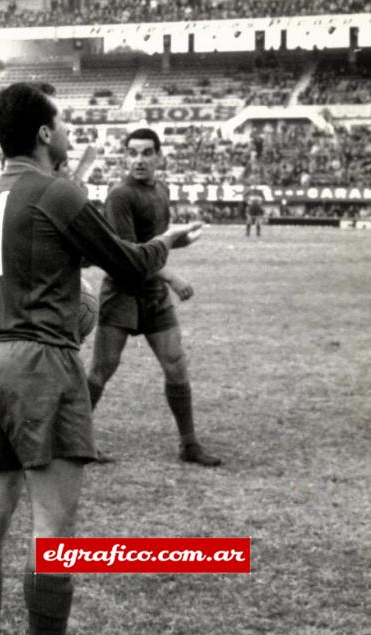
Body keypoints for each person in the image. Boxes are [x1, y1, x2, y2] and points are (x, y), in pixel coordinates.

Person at [0, 82, 202, 635]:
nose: (67, 135)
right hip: (41, 364)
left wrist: (11, 324)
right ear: (41, 133)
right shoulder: (58, 191)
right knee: (55, 522)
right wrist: (171, 242)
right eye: (61, 125)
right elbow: (128, 263)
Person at [86, 128, 221, 467]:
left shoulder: (161, 189)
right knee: (103, 368)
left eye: (147, 153)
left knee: (176, 364)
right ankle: (73, 440)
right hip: (122, 291)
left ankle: (189, 445)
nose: (139, 160)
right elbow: (130, 254)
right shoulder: (119, 195)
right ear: (124, 157)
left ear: (159, 157)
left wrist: (184, 239)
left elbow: (157, 242)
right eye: (132, 153)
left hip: (152, 293)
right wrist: (172, 277)